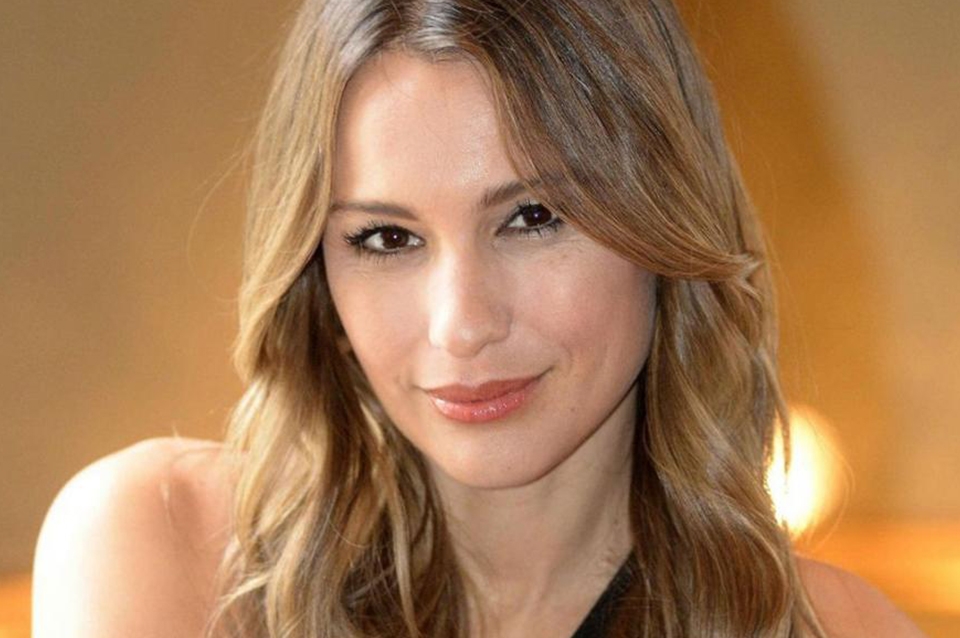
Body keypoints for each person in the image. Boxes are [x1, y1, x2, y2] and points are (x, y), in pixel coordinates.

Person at [32, 1, 928, 637]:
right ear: (314, 270)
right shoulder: (160, 548)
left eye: (533, 218)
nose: (461, 326)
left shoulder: (828, 628)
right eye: (387, 238)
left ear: (662, 222)